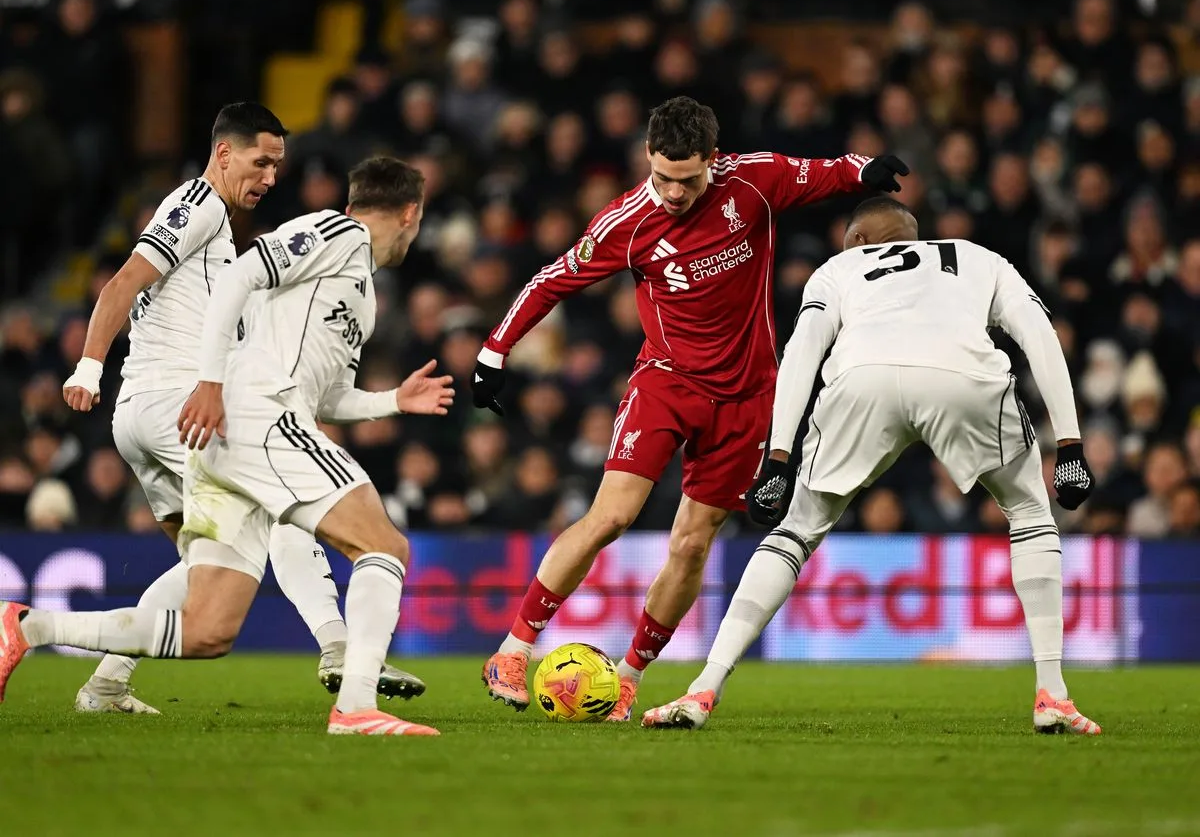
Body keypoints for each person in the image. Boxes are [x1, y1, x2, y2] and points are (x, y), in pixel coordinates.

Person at [472, 96, 909, 720]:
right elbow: (552, 280)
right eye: (662, 177)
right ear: (648, 156)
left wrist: (863, 169)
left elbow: (825, 172)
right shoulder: (626, 222)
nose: (674, 193)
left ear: (712, 158)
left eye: (687, 179)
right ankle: (513, 650)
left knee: (691, 545)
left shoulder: (753, 182)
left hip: (748, 397)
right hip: (666, 383)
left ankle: (627, 679)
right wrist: (495, 350)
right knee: (611, 516)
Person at [3, 157, 451, 738]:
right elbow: (241, 274)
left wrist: (393, 400)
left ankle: (28, 628)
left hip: (234, 439)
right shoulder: (340, 231)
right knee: (384, 546)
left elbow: (331, 396)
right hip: (260, 417)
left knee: (207, 631)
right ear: (411, 213)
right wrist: (211, 383)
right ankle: (354, 702)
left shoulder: (361, 295)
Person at [641, 196, 1101, 736]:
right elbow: (1039, 335)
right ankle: (1052, 693)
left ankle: (704, 686)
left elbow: (802, 352)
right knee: (1029, 512)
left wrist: (779, 455)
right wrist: (1069, 442)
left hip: (863, 379)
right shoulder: (979, 257)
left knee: (795, 530)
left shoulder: (837, 269)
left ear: (859, 240)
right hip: (962, 377)